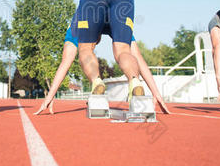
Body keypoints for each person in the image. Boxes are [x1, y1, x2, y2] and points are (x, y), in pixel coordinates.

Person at [34, 12, 170, 115]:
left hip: (88, 12)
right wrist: (156, 93)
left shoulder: (75, 26)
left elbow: (65, 63)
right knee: (125, 52)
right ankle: (135, 81)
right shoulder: (112, 13)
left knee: (85, 50)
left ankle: (96, 81)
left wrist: (50, 96)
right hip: (116, 9)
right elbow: (139, 59)